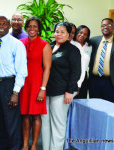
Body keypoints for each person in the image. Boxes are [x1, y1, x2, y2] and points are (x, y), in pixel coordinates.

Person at [0, 16, 28, 150]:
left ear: (9, 26)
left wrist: (15, 92)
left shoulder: (16, 44)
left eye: (4, 24)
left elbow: (22, 71)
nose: (1, 26)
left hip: (9, 85)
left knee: (11, 122)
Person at [41, 22, 81, 150]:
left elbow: (76, 72)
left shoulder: (72, 50)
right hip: (46, 91)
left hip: (62, 92)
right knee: (45, 122)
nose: (59, 34)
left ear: (69, 34)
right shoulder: (49, 46)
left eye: (62, 32)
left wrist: (70, 91)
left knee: (58, 124)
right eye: (57, 31)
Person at [19, 16, 52, 150]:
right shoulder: (20, 42)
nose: (32, 29)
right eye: (30, 26)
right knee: (25, 114)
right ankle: (26, 144)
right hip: (23, 84)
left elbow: (47, 68)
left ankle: (33, 145)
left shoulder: (45, 44)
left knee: (36, 115)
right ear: (26, 28)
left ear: (39, 29)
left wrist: (42, 88)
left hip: (37, 84)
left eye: (35, 27)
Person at [71, 25, 92, 99]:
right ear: (76, 33)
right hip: (72, 75)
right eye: (80, 32)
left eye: (85, 34)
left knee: (82, 99)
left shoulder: (89, 47)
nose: (82, 35)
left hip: (84, 77)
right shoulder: (71, 44)